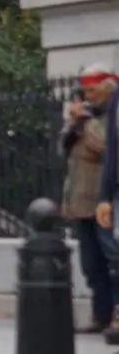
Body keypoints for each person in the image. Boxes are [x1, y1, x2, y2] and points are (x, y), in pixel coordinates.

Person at [64, 68, 115, 334]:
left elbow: (106, 147)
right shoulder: (86, 117)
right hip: (81, 200)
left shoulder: (110, 115)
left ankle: (115, 313)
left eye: (92, 91)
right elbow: (63, 146)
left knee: (112, 257)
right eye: (85, 91)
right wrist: (74, 124)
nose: (87, 96)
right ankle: (100, 314)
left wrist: (86, 122)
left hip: (103, 199)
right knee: (91, 264)